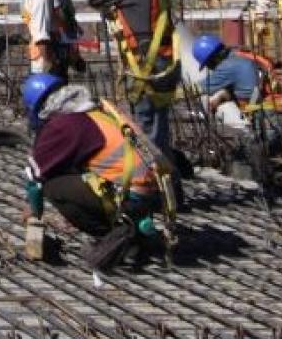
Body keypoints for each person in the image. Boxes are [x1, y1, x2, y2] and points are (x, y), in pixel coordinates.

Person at [21, 72, 175, 270]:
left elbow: (35, 177)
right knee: (83, 174)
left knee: (53, 186)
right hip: (157, 192)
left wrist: (34, 213)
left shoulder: (63, 124)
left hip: (130, 196)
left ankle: (117, 234)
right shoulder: (99, 110)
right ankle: (137, 230)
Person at [83, 0, 180, 159]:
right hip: (165, 62)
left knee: (144, 127)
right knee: (160, 125)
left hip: (143, 63)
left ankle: (151, 181)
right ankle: (165, 175)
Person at [192, 33, 282, 176]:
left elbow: (195, 89)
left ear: (212, 58)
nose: (211, 68)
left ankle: (263, 188)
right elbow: (248, 88)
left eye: (208, 64)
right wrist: (220, 98)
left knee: (243, 156)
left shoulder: (226, 66)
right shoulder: (243, 58)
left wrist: (165, 90)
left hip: (271, 121)